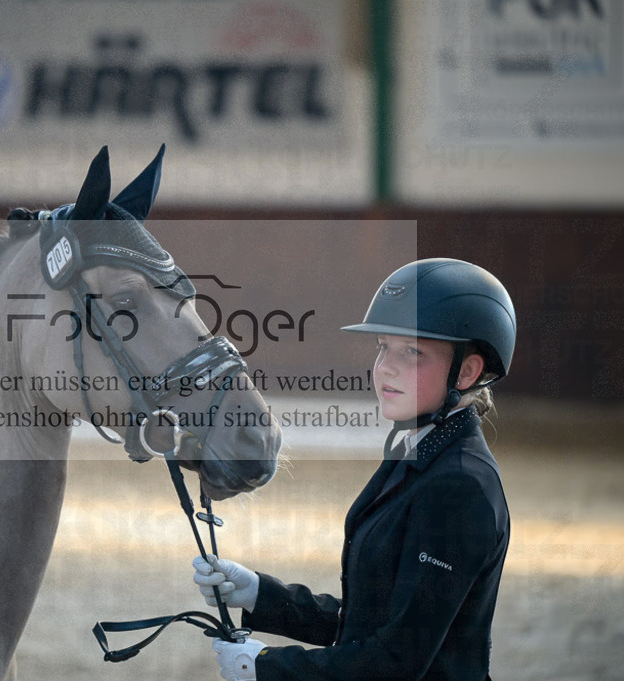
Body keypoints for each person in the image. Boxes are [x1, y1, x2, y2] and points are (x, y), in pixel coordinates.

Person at [192, 258, 516, 681]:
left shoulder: (460, 487)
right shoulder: (418, 454)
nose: (386, 368)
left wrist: (269, 669)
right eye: (384, 347)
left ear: (468, 371)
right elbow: (367, 620)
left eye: (412, 352)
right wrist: (258, 593)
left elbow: (397, 661)